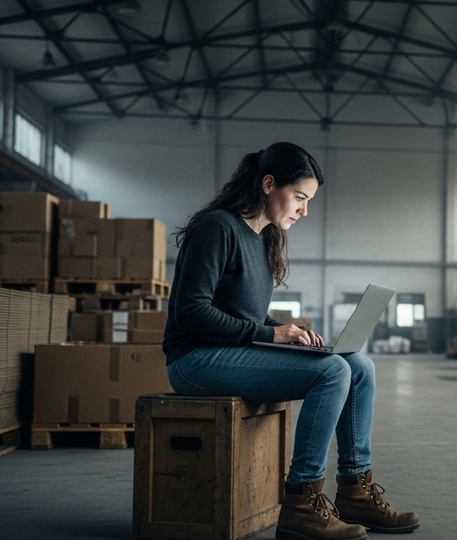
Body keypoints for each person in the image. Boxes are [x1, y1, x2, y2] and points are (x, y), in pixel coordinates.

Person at [162, 142, 420, 540]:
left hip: (230, 353)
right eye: (299, 197)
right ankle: (301, 501)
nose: (304, 210)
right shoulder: (218, 227)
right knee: (332, 372)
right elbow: (191, 311)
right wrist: (269, 334)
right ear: (268, 184)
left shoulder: (261, 238)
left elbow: (245, 314)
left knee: (359, 366)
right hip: (194, 361)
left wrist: (288, 332)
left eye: (308, 200)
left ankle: (355, 492)